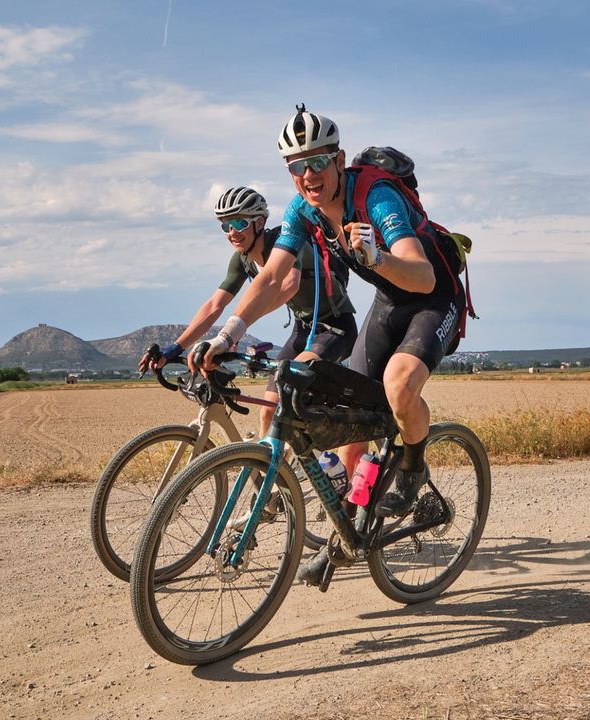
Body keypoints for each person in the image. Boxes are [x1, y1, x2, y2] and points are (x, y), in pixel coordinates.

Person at [192, 107, 464, 530]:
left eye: (318, 161)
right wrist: (227, 335)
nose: (308, 173)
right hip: (390, 303)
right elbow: (269, 278)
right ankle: (350, 535)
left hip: (434, 299)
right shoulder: (303, 210)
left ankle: (413, 468)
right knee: (354, 421)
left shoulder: (376, 198)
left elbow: (424, 277)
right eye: (297, 165)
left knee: (397, 384)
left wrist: (377, 257)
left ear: (339, 161)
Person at [143, 185, 358, 441]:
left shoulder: (285, 242)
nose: (232, 232)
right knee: (268, 410)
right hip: (302, 330)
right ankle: (271, 474)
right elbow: (214, 305)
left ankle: (326, 464)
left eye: (238, 223)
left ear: (259, 223)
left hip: (335, 328)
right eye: (225, 226)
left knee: (291, 395)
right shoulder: (242, 259)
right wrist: (176, 347)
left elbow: (289, 284)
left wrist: (235, 332)